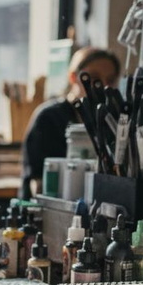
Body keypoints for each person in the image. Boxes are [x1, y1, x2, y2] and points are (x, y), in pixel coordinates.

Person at [19, 46, 121, 198]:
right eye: (94, 78)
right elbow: (38, 183)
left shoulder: (114, 121)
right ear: (74, 77)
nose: (103, 86)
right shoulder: (48, 118)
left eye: (110, 80)